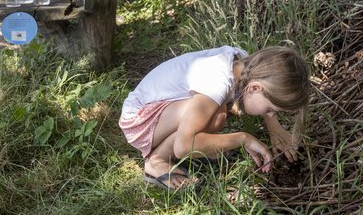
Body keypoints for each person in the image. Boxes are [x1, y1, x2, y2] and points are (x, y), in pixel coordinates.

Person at [119, 45, 312, 191]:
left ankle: (204, 146)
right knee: (216, 114)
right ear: (254, 88)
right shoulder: (216, 82)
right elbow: (184, 146)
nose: (271, 115)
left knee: (217, 113)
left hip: (160, 109)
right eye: (271, 110)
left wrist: (274, 128)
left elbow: (263, 93)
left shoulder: (243, 63)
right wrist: (243, 138)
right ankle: (156, 161)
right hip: (138, 120)